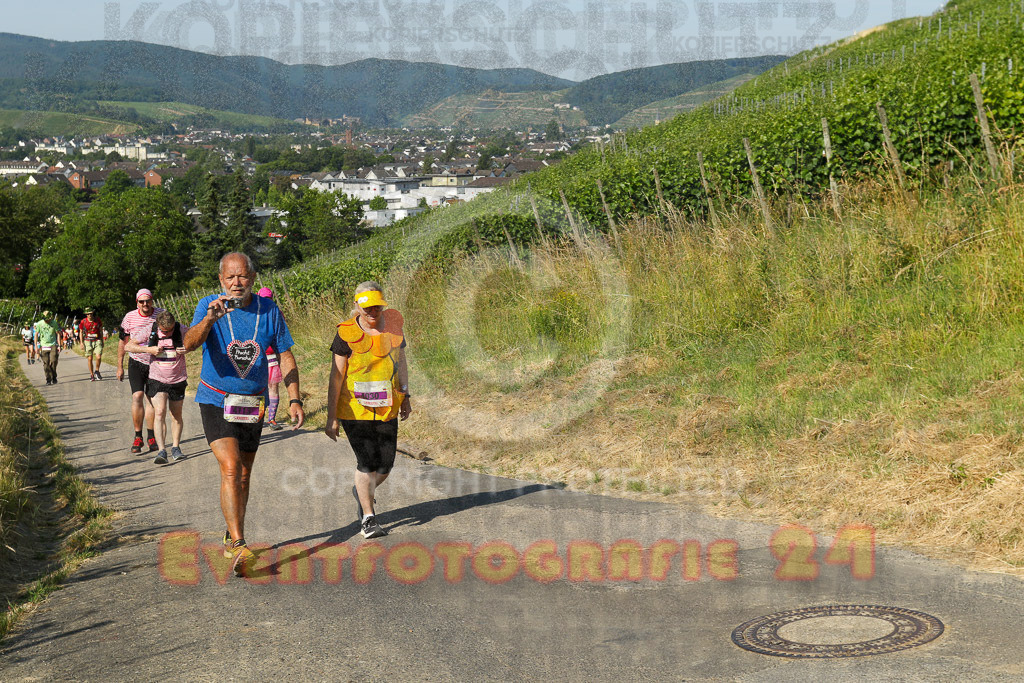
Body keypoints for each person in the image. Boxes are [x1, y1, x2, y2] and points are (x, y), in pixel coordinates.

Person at [184, 252, 305, 576]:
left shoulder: (269, 310)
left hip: (253, 403)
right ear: (220, 279)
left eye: (242, 276)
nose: (236, 282)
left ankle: (232, 532)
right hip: (216, 399)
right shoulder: (208, 305)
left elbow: (286, 355)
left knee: (244, 474)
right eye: (230, 277)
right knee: (230, 466)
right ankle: (239, 543)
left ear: (252, 278)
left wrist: (294, 398)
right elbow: (189, 343)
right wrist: (209, 320)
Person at [325, 282, 412, 539]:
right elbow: (336, 376)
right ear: (357, 306)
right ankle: (368, 517)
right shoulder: (346, 333)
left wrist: (406, 395)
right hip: (354, 409)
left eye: (377, 307)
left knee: (385, 465)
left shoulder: (394, 327)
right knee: (367, 462)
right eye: (367, 308)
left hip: (387, 406)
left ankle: (361, 490)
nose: (373, 312)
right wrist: (331, 417)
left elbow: (402, 363)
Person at [126, 310, 188, 465]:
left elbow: (197, 339)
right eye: (164, 331)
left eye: (170, 330)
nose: (167, 333)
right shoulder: (151, 329)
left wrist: (188, 348)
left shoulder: (180, 328)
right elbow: (128, 346)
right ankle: (162, 450)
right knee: (159, 412)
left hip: (177, 378)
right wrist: (149, 349)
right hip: (157, 378)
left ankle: (176, 447)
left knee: (176, 415)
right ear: (158, 325)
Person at [118, 289, 163, 454]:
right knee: (137, 396)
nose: (145, 304)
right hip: (136, 362)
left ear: (152, 301)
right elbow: (123, 342)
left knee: (151, 399)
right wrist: (120, 366)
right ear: (137, 303)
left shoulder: (161, 314)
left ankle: (151, 436)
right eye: (141, 301)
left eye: (148, 301)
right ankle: (138, 436)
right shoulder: (129, 317)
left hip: (155, 363)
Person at [256, 286, 284, 430]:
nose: (266, 302)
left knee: (273, 387)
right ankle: (258, 418)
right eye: (263, 299)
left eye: (268, 299)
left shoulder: (277, 313)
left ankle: (271, 418)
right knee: (259, 388)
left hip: (272, 356)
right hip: (257, 357)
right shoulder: (253, 314)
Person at [34, 311, 60, 385]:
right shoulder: (39, 324)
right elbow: (36, 334)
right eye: (45, 319)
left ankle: (54, 376)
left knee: (54, 361)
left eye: (47, 319)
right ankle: (48, 379)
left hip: (53, 345)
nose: (46, 321)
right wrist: (36, 346)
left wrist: (59, 345)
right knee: (46, 363)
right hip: (44, 345)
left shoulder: (54, 323)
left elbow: (58, 334)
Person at [79, 308, 105, 381]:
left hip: (97, 340)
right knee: (90, 358)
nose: (89, 315)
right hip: (87, 341)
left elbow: (101, 330)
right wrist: (81, 342)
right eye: (88, 314)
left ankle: (97, 370)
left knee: (98, 357)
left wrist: (102, 340)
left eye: (90, 313)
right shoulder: (83, 321)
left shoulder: (97, 320)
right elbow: (80, 332)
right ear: (86, 315)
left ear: (93, 313)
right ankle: (92, 374)